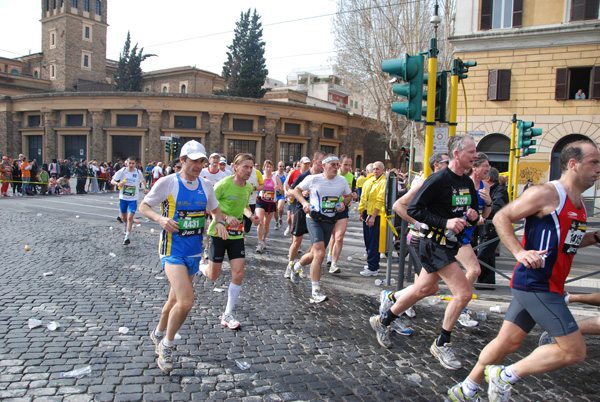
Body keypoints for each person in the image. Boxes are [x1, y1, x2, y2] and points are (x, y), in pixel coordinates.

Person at [447, 140, 600, 402]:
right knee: (575, 351)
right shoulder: (547, 194)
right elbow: (501, 217)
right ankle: (505, 375)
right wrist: (519, 252)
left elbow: (569, 241)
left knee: (507, 342)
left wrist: (596, 236)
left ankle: (466, 388)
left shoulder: (580, 204)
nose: (599, 168)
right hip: (538, 284)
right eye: (594, 162)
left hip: (545, 284)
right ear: (573, 165)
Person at [370, 135, 479, 372]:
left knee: (425, 289)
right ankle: (442, 343)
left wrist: (473, 216)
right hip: (433, 244)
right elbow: (414, 209)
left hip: (451, 245)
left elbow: (474, 211)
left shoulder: (467, 183)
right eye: (471, 152)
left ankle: (384, 320)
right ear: (457, 154)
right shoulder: (438, 179)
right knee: (463, 293)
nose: (476, 156)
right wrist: (445, 223)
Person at [139, 140, 227, 373]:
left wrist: (218, 222)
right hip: (172, 251)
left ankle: (157, 333)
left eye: (202, 161)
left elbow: (215, 209)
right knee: (186, 301)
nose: (199, 165)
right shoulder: (168, 182)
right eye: (195, 161)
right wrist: (160, 219)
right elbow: (144, 206)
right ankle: (166, 346)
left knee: (174, 300)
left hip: (194, 252)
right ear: (182, 160)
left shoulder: (206, 185)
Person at [384, 153, 449, 325]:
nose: (451, 165)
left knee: (427, 285)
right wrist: (418, 223)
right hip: (419, 239)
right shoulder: (425, 183)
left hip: (438, 241)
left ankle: (400, 303)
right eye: (447, 162)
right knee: (430, 287)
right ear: (437, 165)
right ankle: (392, 300)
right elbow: (398, 206)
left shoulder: (449, 184)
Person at [200, 153, 256, 330]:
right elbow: (208, 206)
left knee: (238, 274)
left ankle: (227, 314)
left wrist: (251, 216)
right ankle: (201, 267)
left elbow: (245, 206)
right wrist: (225, 216)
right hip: (218, 232)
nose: (249, 170)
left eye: (251, 167)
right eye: (245, 167)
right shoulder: (222, 184)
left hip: (237, 235)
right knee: (213, 275)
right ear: (235, 167)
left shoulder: (247, 188)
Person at [290, 154, 351, 303]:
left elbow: (348, 196)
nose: (336, 168)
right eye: (332, 164)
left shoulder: (342, 181)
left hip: (330, 220)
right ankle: (315, 291)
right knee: (321, 253)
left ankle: (296, 266)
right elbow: (295, 190)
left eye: (337, 165)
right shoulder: (313, 179)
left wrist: (343, 204)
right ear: (323, 166)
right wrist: (304, 203)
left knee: (315, 254)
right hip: (314, 218)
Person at [284, 152, 324, 279]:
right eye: (320, 162)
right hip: (301, 211)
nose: (322, 165)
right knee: (296, 242)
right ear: (314, 161)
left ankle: (300, 264)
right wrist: (301, 193)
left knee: (315, 244)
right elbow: (291, 190)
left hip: (317, 213)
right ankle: (289, 265)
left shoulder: (324, 177)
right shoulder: (304, 176)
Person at [476, 167, 509, 287]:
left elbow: (497, 208)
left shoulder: (499, 191)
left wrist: (484, 213)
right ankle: (487, 283)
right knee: (488, 257)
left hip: (493, 229)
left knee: (482, 256)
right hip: (487, 228)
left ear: (488, 178)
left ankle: (481, 282)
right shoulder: (489, 190)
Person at [326, 154, 356, 274]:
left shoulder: (351, 177)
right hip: (331, 208)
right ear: (339, 164)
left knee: (339, 237)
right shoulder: (334, 175)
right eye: (345, 164)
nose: (347, 167)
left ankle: (334, 263)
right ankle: (329, 253)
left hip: (343, 209)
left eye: (349, 165)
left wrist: (351, 197)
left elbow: (351, 191)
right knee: (332, 235)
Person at [111, 156, 149, 245]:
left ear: (136, 164)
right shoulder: (122, 171)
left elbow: (143, 181)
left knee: (130, 217)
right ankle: (126, 224)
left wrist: (145, 188)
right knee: (124, 217)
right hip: (123, 198)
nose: (131, 165)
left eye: (133, 163)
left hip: (133, 198)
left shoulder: (138, 172)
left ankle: (127, 237)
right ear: (126, 163)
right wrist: (117, 183)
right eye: (130, 163)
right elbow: (112, 180)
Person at [358, 161, 386, 276]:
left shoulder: (382, 182)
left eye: (378, 169)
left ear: (383, 170)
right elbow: (364, 197)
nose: (375, 171)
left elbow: (380, 200)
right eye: (374, 169)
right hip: (367, 213)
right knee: (368, 240)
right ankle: (371, 263)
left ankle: (373, 267)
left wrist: (373, 216)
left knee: (373, 241)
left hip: (376, 215)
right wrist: (361, 211)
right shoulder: (371, 180)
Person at [255, 160, 281, 253]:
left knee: (266, 224)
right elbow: (256, 188)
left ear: (272, 168)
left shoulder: (275, 178)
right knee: (260, 222)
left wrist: (278, 189)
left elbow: (282, 191)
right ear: (264, 168)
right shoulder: (261, 177)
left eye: (270, 167)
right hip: (261, 201)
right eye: (267, 167)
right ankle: (259, 242)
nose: (268, 169)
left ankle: (264, 238)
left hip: (271, 203)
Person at [283, 158, 311, 237]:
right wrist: (287, 193)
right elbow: (287, 185)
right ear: (301, 164)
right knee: (290, 219)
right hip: (294, 199)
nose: (307, 166)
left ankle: (297, 240)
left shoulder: (311, 174)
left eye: (308, 164)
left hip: (305, 200)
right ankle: (293, 236)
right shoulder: (294, 173)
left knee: (295, 220)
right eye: (305, 164)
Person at [274, 161, 287, 230]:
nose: (281, 168)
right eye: (280, 166)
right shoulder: (274, 174)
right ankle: (276, 222)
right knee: (275, 210)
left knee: (280, 208)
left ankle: (280, 218)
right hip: (275, 194)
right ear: (277, 167)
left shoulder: (286, 175)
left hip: (282, 194)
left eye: (283, 166)